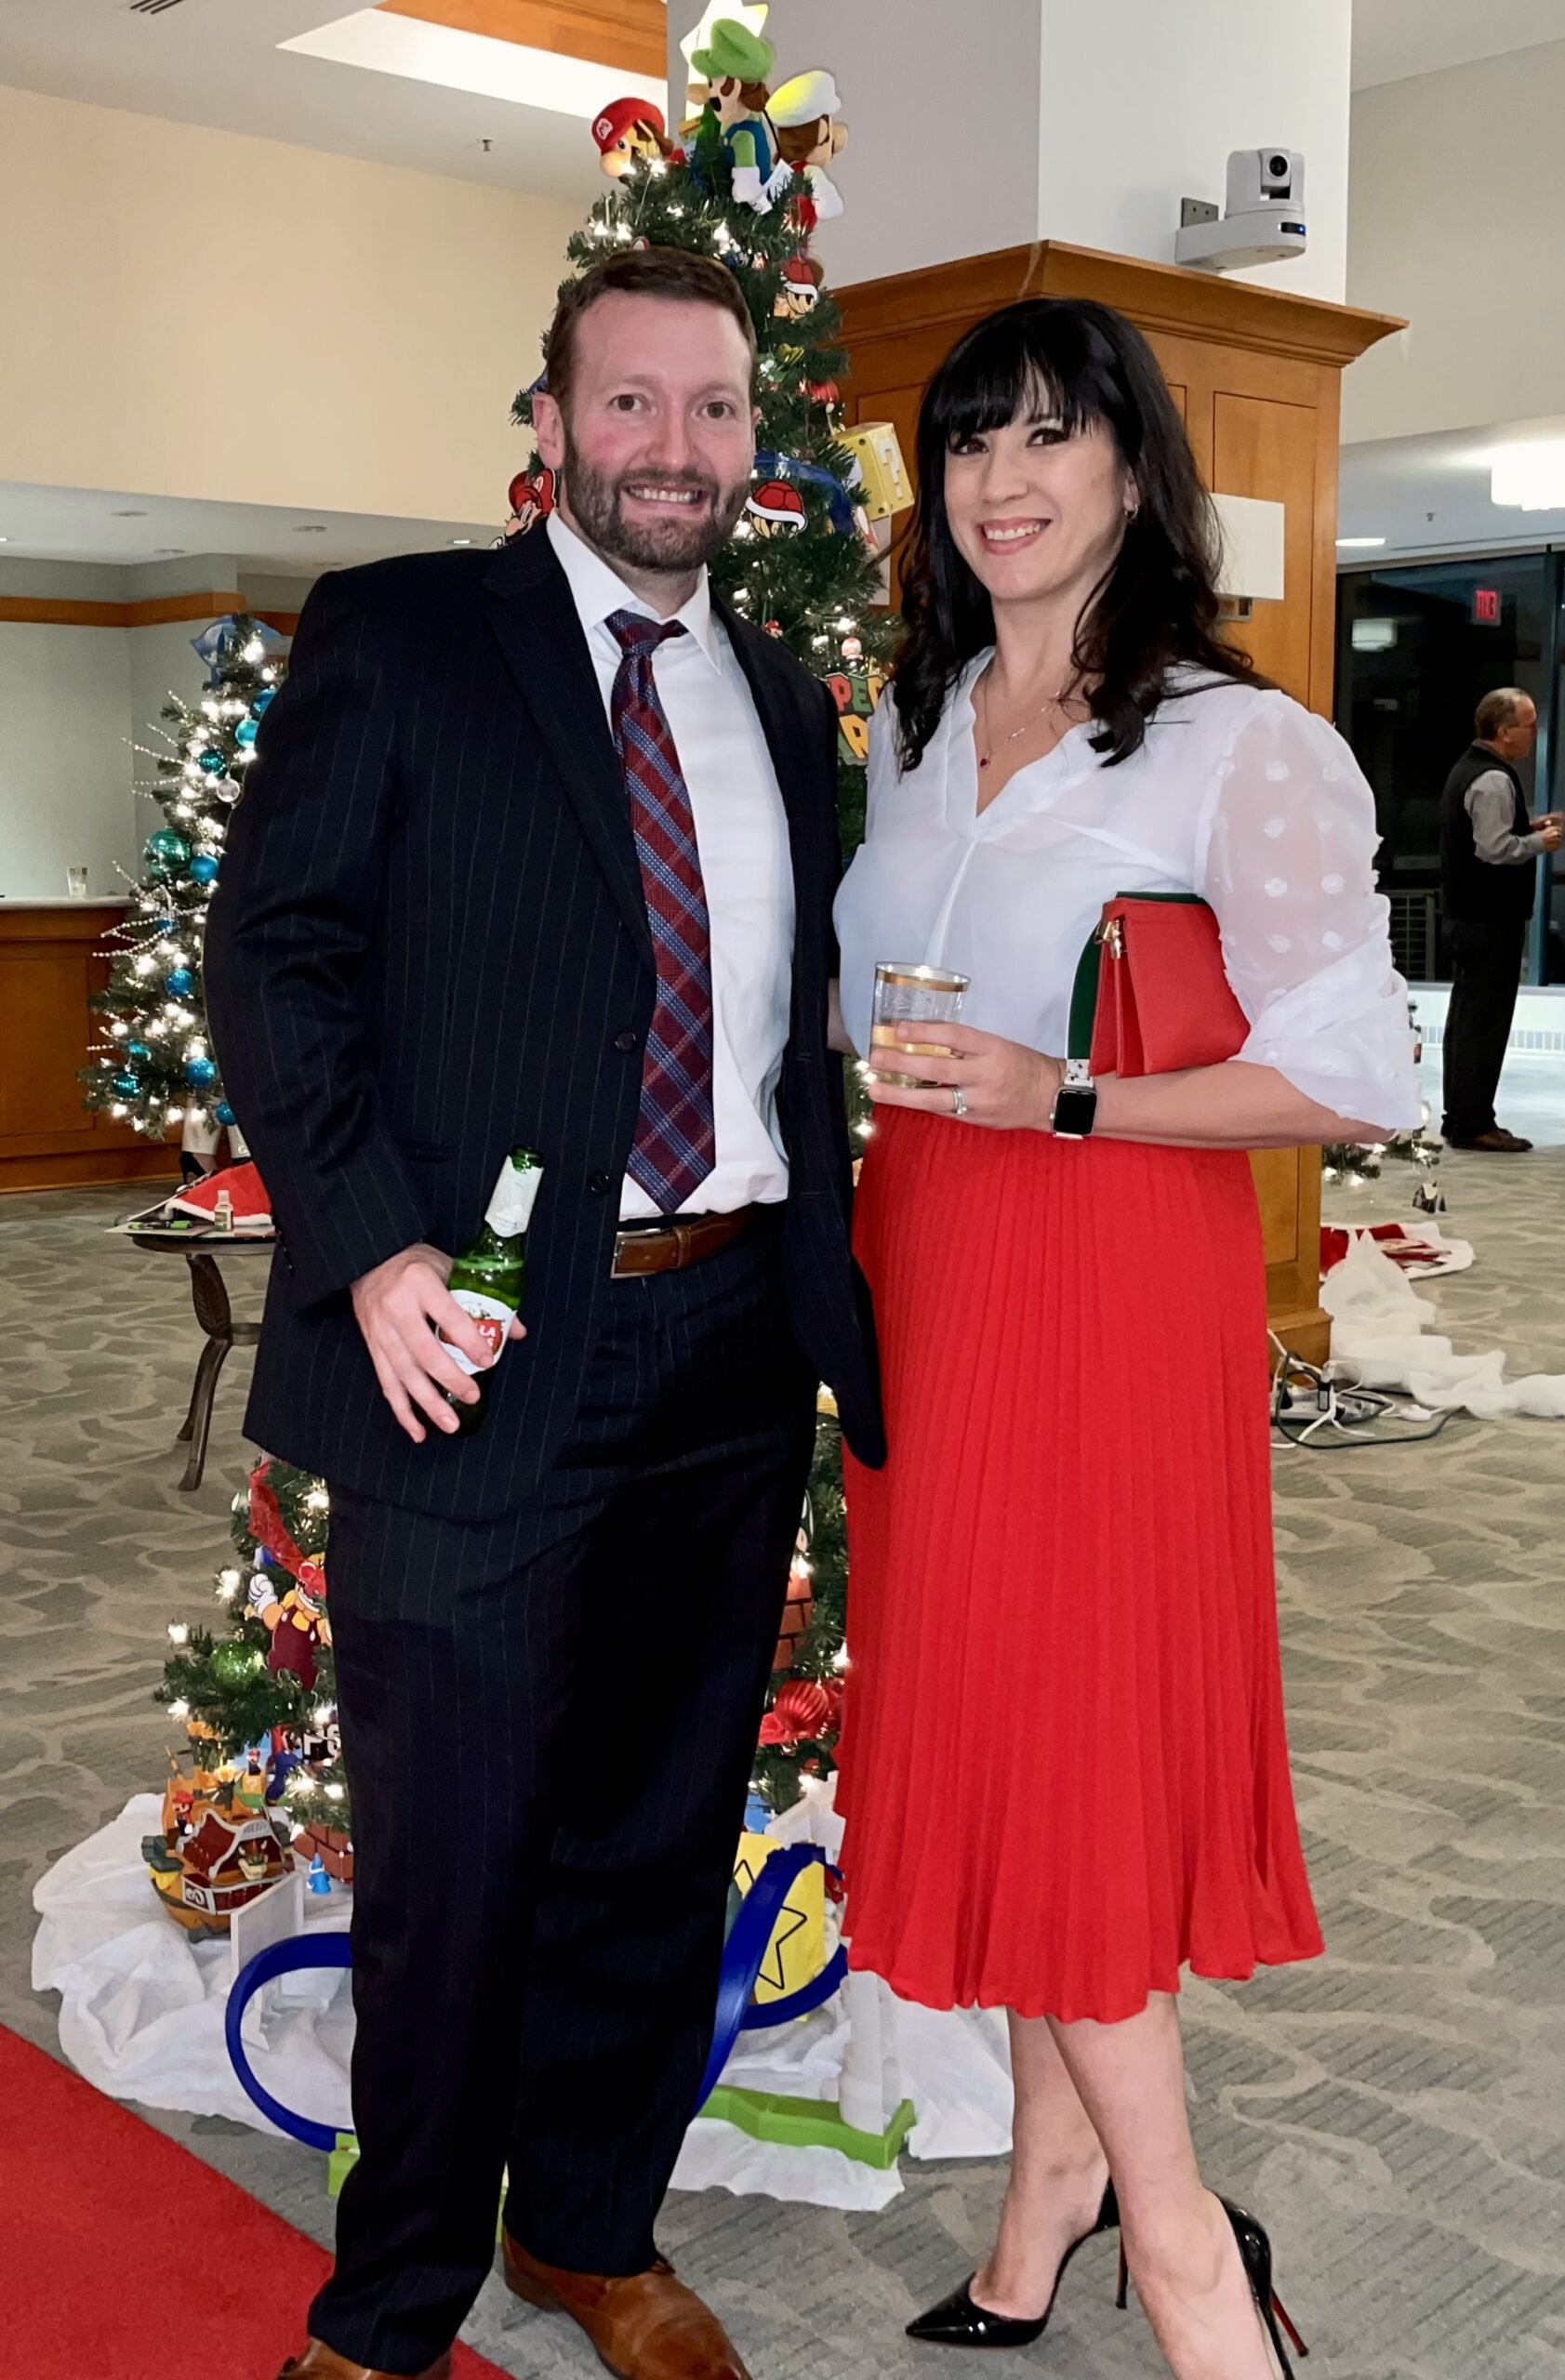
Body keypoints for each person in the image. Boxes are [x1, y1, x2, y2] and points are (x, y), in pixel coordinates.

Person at [205, 245, 882, 2380]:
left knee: (655, 1829)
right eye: (631, 403)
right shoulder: (408, 636)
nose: (671, 446)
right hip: (482, 1318)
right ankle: (394, 2295)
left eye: (710, 409)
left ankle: (591, 2224)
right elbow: (276, 956)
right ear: (554, 423)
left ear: (747, 445)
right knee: (457, 1845)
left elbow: (783, 1038)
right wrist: (377, 1244)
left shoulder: (782, 699)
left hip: (725, 1340)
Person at [830, 297, 1420, 2380]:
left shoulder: (1239, 742)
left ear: (1129, 470)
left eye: (1046, 437)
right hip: (929, 1267)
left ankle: (1182, 2254)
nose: (999, 479)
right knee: (1001, 1736)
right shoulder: (909, 725)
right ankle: (1044, 2193)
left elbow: (1348, 1078)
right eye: (965, 441)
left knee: (1068, 1742)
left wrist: (1061, 1092)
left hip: (1104, 1278)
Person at [1437, 687, 1564, 1151]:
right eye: (1529, 725)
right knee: (1482, 1023)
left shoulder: (1473, 769)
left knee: (1469, 1019)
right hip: (1487, 920)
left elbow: (1487, 835)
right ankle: (1473, 1122)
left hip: (1470, 916)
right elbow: (1492, 850)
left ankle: (1465, 1116)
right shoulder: (1491, 779)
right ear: (1505, 730)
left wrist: (1525, 830)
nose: (1534, 733)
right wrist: (1538, 844)